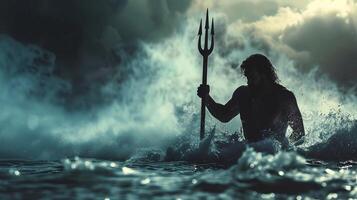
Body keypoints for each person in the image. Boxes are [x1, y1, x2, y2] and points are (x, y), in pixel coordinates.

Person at [197, 54, 305, 151]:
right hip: (248, 155)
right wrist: (207, 98)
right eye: (247, 77)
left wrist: (284, 150)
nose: (249, 82)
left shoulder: (284, 97)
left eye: (252, 77)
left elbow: (299, 133)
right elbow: (224, 115)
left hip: (274, 160)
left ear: (264, 75)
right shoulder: (243, 94)